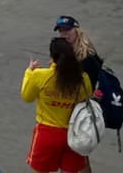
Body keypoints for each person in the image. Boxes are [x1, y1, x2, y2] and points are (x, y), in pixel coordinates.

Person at [22, 37, 93, 173]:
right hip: (72, 134)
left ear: (52, 56)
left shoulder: (40, 76)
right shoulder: (82, 78)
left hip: (46, 134)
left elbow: (27, 96)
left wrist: (29, 72)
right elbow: (87, 95)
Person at [53, 15, 103, 88]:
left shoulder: (88, 56)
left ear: (77, 31)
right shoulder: (62, 52)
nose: (64, 33)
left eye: (67, 29)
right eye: (61, 30)